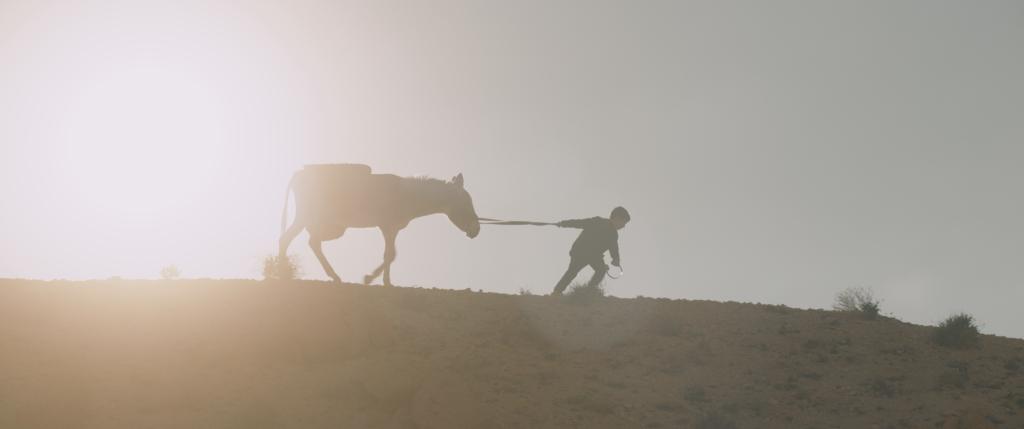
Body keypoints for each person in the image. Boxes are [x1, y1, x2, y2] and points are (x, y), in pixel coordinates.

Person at [551, 206, 630, 296]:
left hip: (594, 256)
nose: (623, 226)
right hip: (580, 252)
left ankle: (588, 291)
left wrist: (616, 259)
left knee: (601, 270)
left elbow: (614, 248)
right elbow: (580, 223)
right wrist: (563, 223)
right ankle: (557, 292)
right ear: (617, 218)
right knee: (572, 272)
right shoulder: (597, 221)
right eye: (624, 222)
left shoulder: (614, 235)